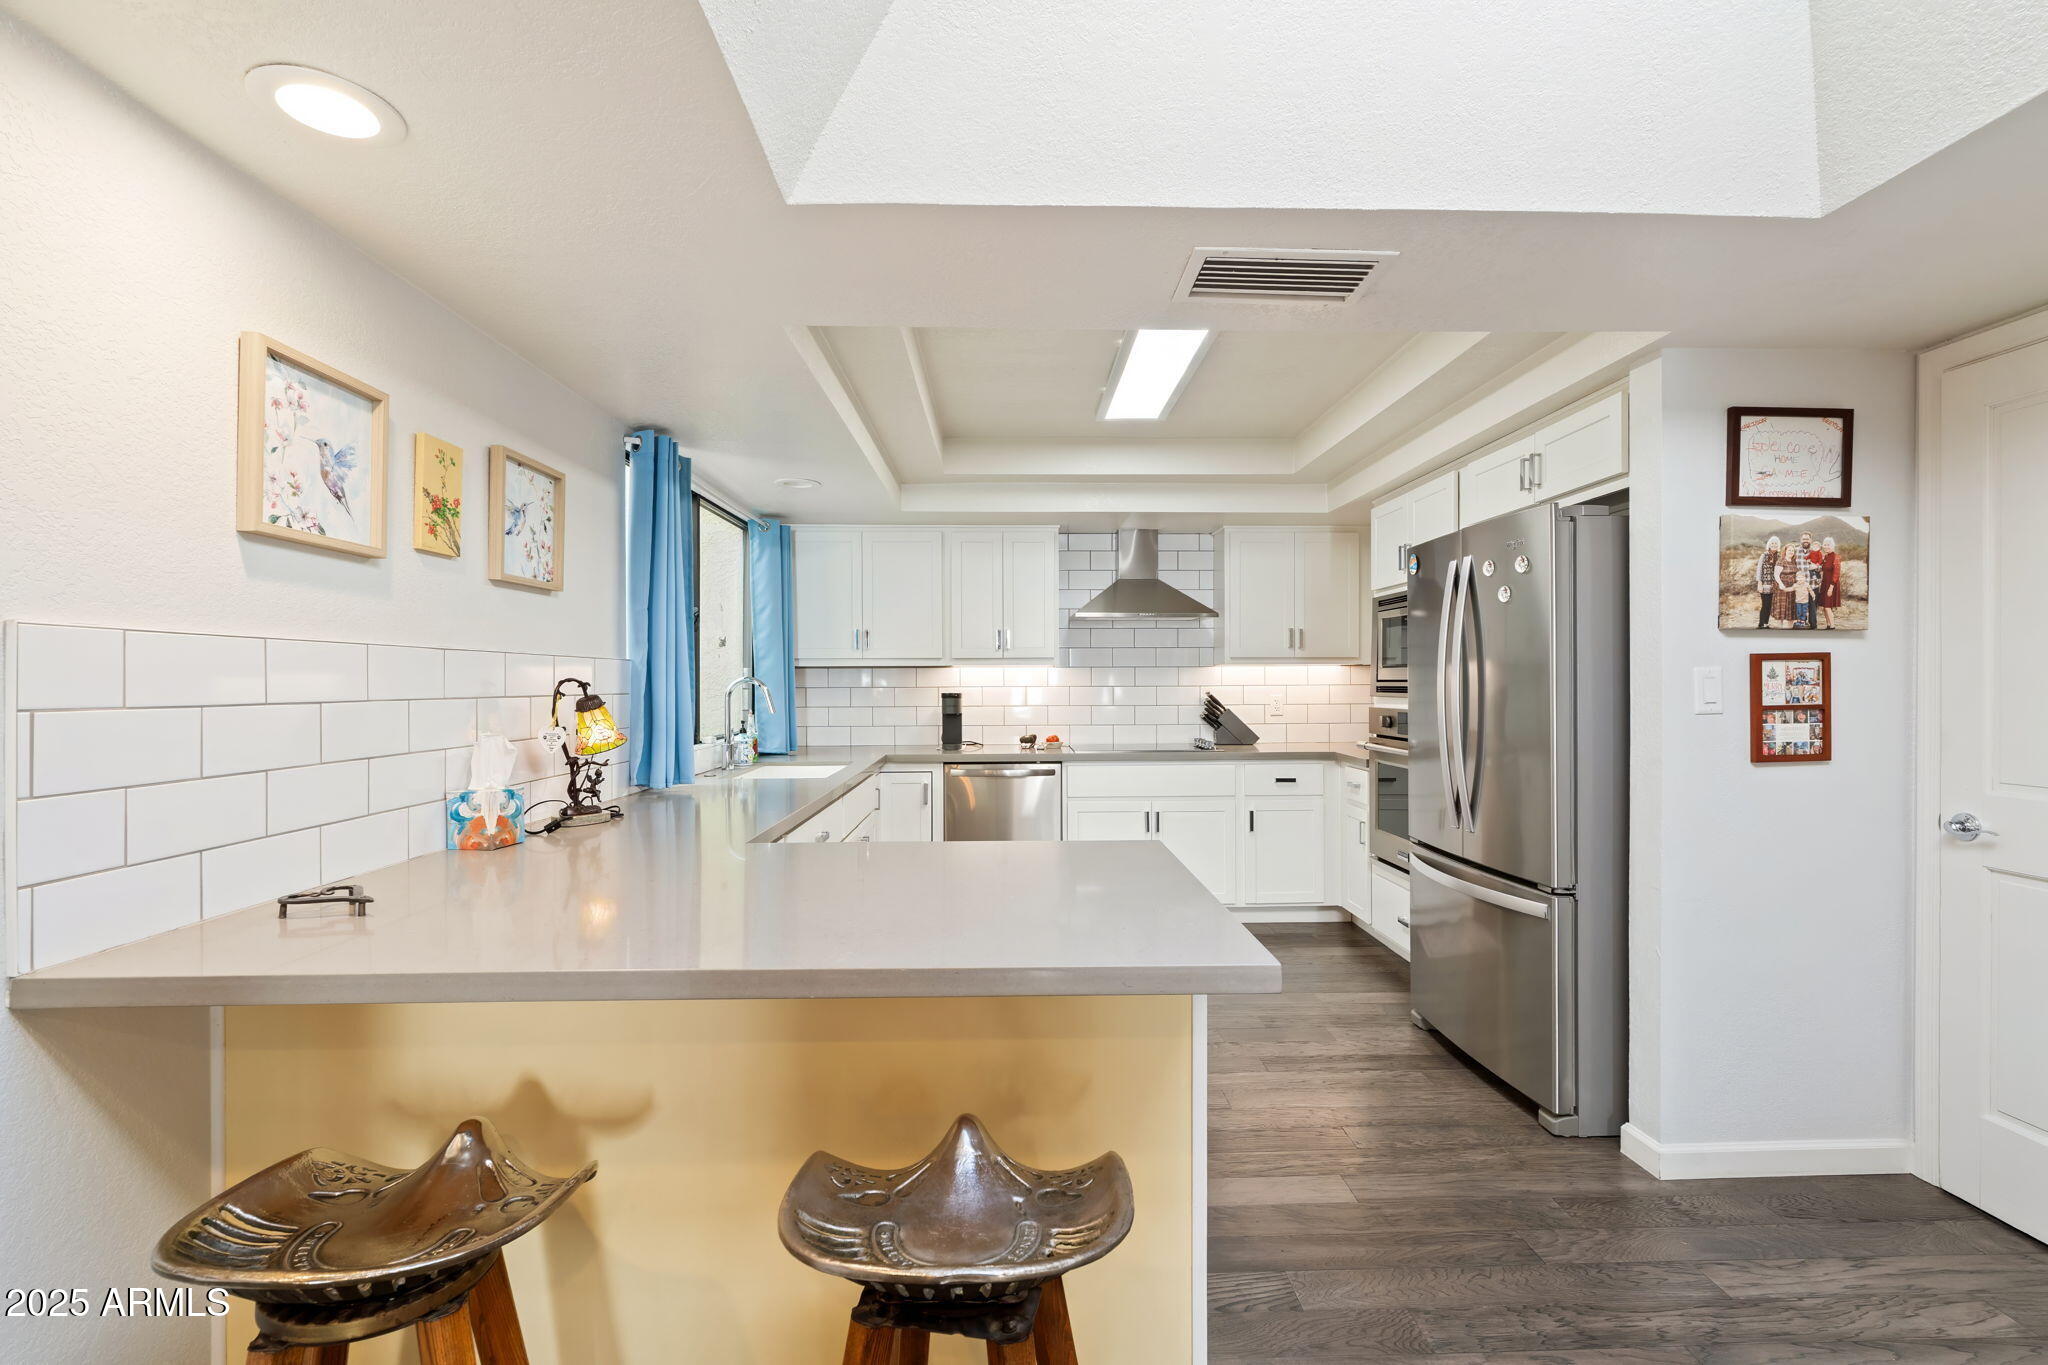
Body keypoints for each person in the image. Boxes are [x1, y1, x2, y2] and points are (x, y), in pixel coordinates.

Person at [1754, 536, 1781, 628]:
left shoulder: (1779, 556)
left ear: (1778, 546)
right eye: (1772, 543)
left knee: (1770, 605)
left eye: (1776, 543)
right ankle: (1761, 624)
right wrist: (1759, 583)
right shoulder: (1764, 555)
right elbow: (1759, 570)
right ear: (1769, 545)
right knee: (1765, 604)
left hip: (1774, 585)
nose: (1774, 545)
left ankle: (1766, 623)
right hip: (1764, 584)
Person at [1772, 543, 1799, 627]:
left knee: (1791, 608)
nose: (1791, 552)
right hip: (1782, 587)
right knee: (1782, 608)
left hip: (1792, 587)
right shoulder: (1781, 560)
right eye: (1789, 550)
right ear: (1785, 551)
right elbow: (1776, 574)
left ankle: (1789, 629)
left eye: (1792, 550)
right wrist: (1780, 584)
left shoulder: (1794, 561)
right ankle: (1780, 629)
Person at [1819, 536, 1842, 629]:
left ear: (1832, 546)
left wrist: (1831, 587)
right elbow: (1821, 568)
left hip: (1832, 585)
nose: (1826, 547)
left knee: (1828, 606)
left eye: (1828, 545)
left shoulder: (1836, 557)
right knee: (1824, 607)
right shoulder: (1825, 557)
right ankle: (1828, 625)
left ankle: (1832, 627)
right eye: (1825, 545)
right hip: (1825, 584)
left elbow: (1836, 573)